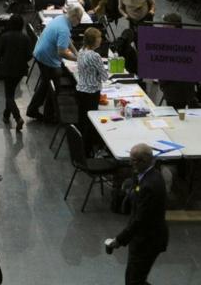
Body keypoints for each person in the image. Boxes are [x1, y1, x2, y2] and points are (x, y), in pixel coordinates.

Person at [105, 143, 168, 284]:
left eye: (133, 160)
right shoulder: (148, 175)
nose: (129, 163)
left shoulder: (149, 186)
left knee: (134, 281)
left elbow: (140, 220)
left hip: (147, 242)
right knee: (136, 279)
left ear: (144, 161)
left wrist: (119, 240)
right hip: (143, 239)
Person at [30, 5, 83, 122]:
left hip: (41, 53)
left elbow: (67, 40)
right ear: (74, 16)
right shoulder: (64, 29)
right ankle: (49, 116)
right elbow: (62, 52)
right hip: (47, 58)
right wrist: (77, 59)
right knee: (55, 86)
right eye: (79, 19)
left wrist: (76, 52)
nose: (79, 22)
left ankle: (32, 110)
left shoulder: (61, 19)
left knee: (46, 84)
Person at [75, 27, 108, 154]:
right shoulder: (95, 56)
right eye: (99, 37)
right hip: (91, 92)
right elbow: (104, 77)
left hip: (81, 89)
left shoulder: (81, 51)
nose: (101, 40)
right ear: (94, 41)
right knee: (91, 122)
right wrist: (99, 74)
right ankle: (88, 150)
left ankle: (80, 145)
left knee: (83, 119)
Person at [0, 15, 31, 130]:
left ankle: (18, 118)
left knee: (9, 95)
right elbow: (29, 55)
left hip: (7, 69)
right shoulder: (25, 38)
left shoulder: (4, 37)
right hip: (20, 70)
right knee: (11, 92)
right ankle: (6, 115)